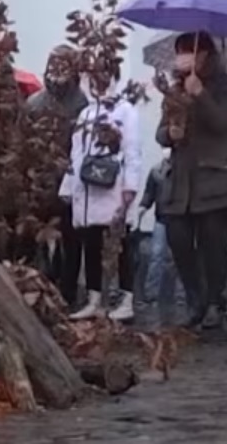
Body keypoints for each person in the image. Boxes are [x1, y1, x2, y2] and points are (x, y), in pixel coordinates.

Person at [156, 32, 227, 329]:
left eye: (188, 52)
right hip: (181, 182)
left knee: (212, 244)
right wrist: (170, 134)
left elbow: (224, 124)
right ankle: (195, 298)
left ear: (204, 55)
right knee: (178, 239)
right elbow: (160, 131)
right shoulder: (175, 88)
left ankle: (216, 301)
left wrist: (201, 95)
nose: (182, 57)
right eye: (179, 52)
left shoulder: (224, 86)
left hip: (213, 178)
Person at [60, 75, 141, 322]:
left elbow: (132, 150)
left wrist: (131, 186)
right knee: (91, 243)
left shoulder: (126, 112)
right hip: (86, 191)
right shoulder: (85, 113)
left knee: (119, 245)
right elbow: (75, 152)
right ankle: (94, 298)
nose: (98, 84)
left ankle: (126, 299)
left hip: (113, 188)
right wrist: (68, 185)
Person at [26, 45, 90, 296]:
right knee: (39, 237)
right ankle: (41, 284)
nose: (57, 69)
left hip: (69, 181)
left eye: (64, 63)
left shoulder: (82, 104)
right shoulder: (34, 103)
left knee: (70, 240)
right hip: (40, 180)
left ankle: (68, 290)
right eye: (53, 63)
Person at [135, 150, 187, 326]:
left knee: (181, 257)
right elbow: (150, 192)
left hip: (181, 219)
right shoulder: (156, 171)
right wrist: (143, 206)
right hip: (163, 218)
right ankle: (151, 295)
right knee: (157, 255)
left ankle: (182, 294)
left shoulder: (186, 171)